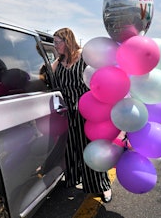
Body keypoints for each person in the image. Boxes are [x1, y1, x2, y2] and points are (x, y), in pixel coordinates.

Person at [51, 27, 112, 203]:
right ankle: (74, 179)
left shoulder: (84, 57)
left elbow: (99, 80)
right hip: (67, 113)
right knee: (71, 149)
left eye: (57, 42)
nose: (55, 46)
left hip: (87, 112)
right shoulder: (60, 61)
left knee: (91, 150)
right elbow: (45, 73)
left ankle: (102, 186)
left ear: (67, 41)